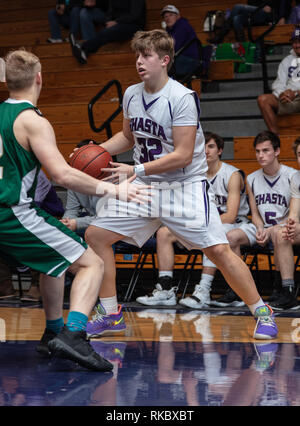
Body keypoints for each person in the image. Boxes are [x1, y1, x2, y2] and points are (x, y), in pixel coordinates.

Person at [84, 29, 278, 340]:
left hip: (183, 187)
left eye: (146, 55)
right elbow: (128, 137)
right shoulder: (132, 94)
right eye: (137, 55)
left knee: (218, 250)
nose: (139, 61)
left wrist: (136, 168)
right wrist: (94, 151)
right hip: (146, 186)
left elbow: (184, 155)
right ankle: (111, 314)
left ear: (164, 60)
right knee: (96, 235)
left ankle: (262, 311)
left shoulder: (182, 97)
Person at [0, 49, 147, 370]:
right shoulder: (32, 120)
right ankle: (75, 334)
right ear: (39, 78)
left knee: (54, 259)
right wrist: (114, 188)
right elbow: (62, 174)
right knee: (91, 264)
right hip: (11, 212)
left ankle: (53, 331)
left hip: (9, 212)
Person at [136, 132, 257, 309]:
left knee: (213, 233)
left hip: (234, 224)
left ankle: (204, 290)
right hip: (200, 223)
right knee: (163, 232)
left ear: (220, 150)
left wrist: (195, 224)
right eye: (203, 147)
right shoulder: (193, 175)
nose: (206, 151)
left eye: (211, 147)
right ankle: (165, 289)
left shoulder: (232, 175)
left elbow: (230, 215)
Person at [62, 139, 126, 336]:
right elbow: (71, 213)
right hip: (97, 224)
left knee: (99, 237)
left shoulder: (114, 178)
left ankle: (106, 309)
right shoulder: (76, 179)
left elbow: (107, 217)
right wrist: (66, 224)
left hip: (124, 219)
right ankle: (107, 310)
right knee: (84, 236)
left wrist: (76, 223)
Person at [227, 130, 297, 304]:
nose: (260, 155)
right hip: (262, 227)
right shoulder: (251, 179)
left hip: (283, 228)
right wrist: (259, 228)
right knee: (231, 237)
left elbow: (294, 215)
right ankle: (237, 289)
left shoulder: (292, 176)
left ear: (277, 151)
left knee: (279, 233)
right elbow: (255, 213)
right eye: (258, 151)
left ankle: (280, 288)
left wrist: (271, 229)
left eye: (266, 150)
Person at [271, 136, 300, 310]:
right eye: (299, 154)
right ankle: (288, 292)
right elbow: (295, 212)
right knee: (282, 233)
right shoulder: (296, 178)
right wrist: (293, 225)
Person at [70, 0, 146, 64]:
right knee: (107, 31)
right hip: (118, 24)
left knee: (107, 33)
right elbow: (110, 12)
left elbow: (135, 15)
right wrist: (108, 21)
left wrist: (116, 22)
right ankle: (84, 50)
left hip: (134, 25)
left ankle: (83, 47)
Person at [257, 28, 300, 135]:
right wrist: (282, 94)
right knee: (263, 99)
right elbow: (279, 83)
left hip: (297, 96)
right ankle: (276, 138)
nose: (297, 45)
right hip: (289, 99)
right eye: (294, 42)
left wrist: (296, 93)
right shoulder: (287, 60)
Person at [208, 0, 291, 44]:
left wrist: (283, 17)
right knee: (237, 19)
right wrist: (262, 6)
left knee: (237, 7)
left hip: (271, 15)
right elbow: (251, 3)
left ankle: (220, 36)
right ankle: (243, 45)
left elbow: (287, 5)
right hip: (258, 12)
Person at [161, 5, 201, 78]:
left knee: (160, 63)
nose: (168, 18)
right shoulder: (169, 30)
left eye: (171, 15)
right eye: (165, 16)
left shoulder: (183, 26)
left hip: (188, 61)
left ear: (178, 16)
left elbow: (173, 47)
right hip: (179, 59)